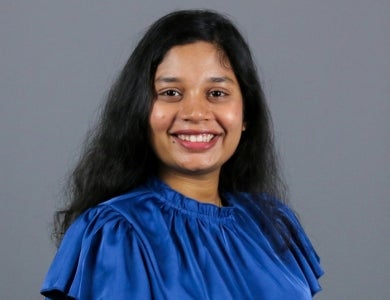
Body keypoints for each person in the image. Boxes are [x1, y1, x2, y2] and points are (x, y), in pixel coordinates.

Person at [41, 9, 323, 299]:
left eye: (216, 93)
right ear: (140, 109)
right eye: (171, 93)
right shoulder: (117, 233)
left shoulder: (272, 223)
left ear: (246, 112)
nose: (195, 113)